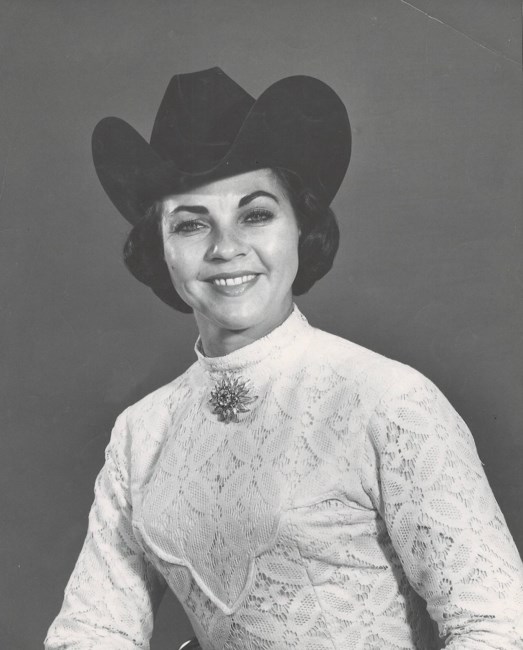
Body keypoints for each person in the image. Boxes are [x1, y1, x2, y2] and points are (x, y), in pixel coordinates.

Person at [45, 67, 523, 650]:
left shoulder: (389, 401)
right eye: (191, 224)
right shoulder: (138, 435)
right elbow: (92, 630)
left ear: (301, 228)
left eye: (255, 215)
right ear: (160, 248)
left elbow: (498, 624)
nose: (226, 248)